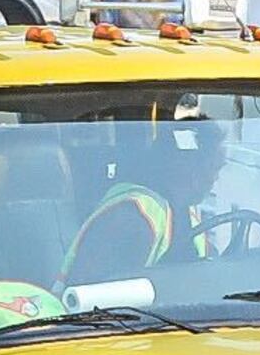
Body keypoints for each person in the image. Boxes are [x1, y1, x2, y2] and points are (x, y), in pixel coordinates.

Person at [60, 118, 228, 288]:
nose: (215, 178)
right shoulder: (133, 217)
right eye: (213, 167)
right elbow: (94, 296)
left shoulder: (187, 211)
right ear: (186, 166)